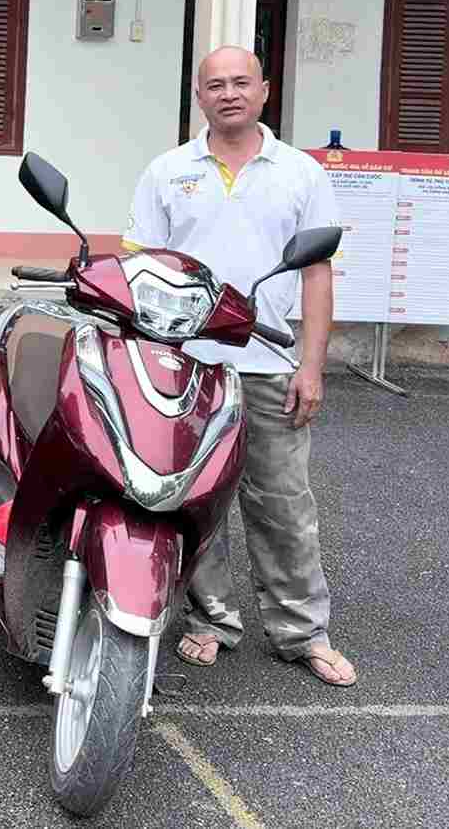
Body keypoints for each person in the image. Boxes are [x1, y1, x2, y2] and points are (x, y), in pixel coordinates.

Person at [123, 45, 357, 687]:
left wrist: (312, 367)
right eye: (215, 85)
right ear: (198, 96)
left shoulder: (302, 173)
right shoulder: (166, 172)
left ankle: (301, 632)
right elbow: (143, 272)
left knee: (282, 502)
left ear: (264, 91)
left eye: (241, 83)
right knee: (191, 500)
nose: (228, 93)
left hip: (270, 364)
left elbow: (317, 274)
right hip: (185, 366)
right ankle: (210, 618)